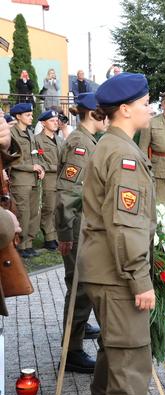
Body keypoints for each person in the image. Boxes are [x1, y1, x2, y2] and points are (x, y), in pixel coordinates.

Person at [78, 72, 155, 395]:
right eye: (144, 103)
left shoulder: (110, 144)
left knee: (114, 348)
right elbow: (125, 227)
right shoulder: (123, 153)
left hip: (104, 271)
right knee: (130, 361)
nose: (150, 108)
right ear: (125, 110)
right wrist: (141, 280)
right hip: (117, 275)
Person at [55, 92, 107, 374]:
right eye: (102, 112)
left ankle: (78, 329)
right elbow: (67, 192)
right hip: (76, 227)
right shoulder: (80, 144)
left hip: (82, 224)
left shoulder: (86, 140)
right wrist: (65, 233)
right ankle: (71, 351)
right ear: (93, 114)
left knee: (82, 286)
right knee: (80, 287)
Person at [8, 103, 45, 258]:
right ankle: (20, 245)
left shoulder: (30, 133)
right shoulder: (12, 134)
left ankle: (28, 243)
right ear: (18, 116)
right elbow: (12, 160)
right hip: (20, 180)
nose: (31, 117)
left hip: (34, 179)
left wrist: (41, 167)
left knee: (34, 213)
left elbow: (36, 154)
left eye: (31, 114)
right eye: (28, 115)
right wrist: (32, 167)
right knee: (23, 213)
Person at [34, 110, 63, 251]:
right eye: (52, 120)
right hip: (48, 179)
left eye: (57, 120)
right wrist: (54, 166)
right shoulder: (37, 140)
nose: (56, 122)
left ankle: (56, 236)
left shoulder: (60, 140)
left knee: (58, 209)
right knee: (48, 208)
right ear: (43, 123)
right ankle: (49, 237)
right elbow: (38, 161)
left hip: (60, 180)